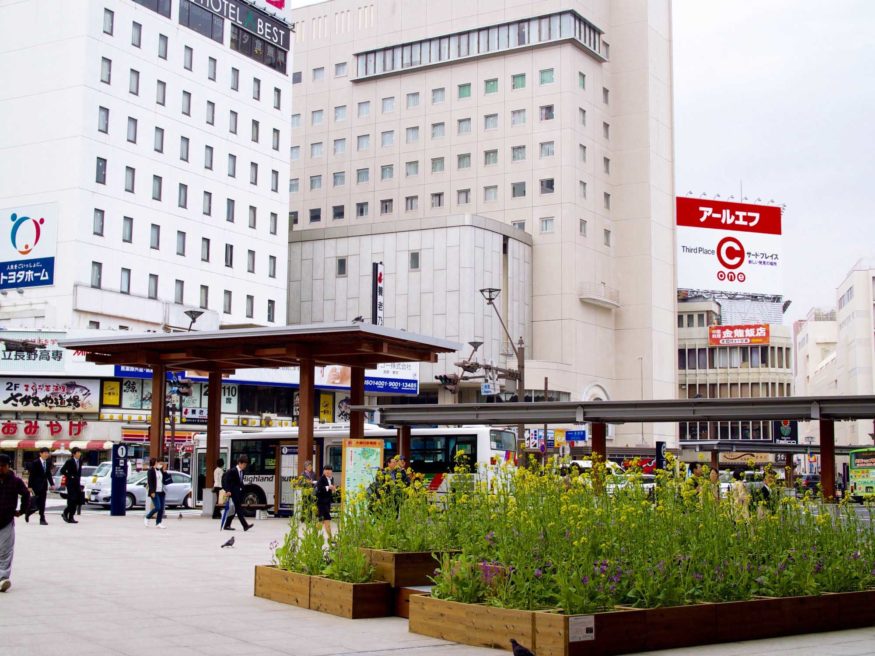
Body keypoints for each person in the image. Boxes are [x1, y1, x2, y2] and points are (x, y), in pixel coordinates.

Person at [0, 453, 30, 592]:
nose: (0, 469)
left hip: (6, 520)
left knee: (5, 551)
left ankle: (2, 578)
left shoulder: (15, 481)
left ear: (8, 466)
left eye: (3, 466)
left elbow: (26, 494)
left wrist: (22, 510)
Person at [221, 455, 252, 532]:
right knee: (238, 509)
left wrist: (244, 489)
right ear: (240, 463)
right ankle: (245, 526)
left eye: (245, 465)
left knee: (235, 510)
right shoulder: (232, 471)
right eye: (244, 465)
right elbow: (226, 481)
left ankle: (227, 525)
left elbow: (240, 482)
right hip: (232, 494)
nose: (245, 466)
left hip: (238, 493)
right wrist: (227, 490)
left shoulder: (242, 472)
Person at [25, 448, 54, 525]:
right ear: (40, 454)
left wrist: (52, 484)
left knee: (42, 502)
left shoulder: (48, 462)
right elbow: (31, 475)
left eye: (47, 453)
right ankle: (28, 512)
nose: (46, 454)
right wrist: (29, 486)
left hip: (44, 485)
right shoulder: (35, 462)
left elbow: (48, 474)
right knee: (36, 503)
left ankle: (42, 518)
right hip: (36, 485)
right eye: (45, 453)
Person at [145, 458, 171, 529]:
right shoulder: (150, 471)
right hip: (154, 492)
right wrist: (152, 492)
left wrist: (164, 469)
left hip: (161, 492)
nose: (159, 464)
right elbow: (150, 482)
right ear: (154, 463)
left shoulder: (160, 471)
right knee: (157, 507)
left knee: (161, 508)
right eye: (157, 463)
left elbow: (165, 477)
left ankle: (158, 523)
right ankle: (147, 517)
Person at [60, 447, 83, 524]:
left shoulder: (80, 461)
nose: (79, 454)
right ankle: (67, 514)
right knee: (72, 499)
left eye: (80, 452)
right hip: (70, 483)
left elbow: (79, 473)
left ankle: (69, 515)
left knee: (76, 500)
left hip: (77, 483)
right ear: (74, 454)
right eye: (78, 452)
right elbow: (62, 470)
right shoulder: (69, 461)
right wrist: (70, 476)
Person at [315, 465, 336, 539]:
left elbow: (331, 490)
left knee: (322, 520)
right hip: (321, 502)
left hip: (327, 503)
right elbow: (319, 488)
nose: (328, 471)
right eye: (326, 470)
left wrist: (333, 489)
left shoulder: (332, 478)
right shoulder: (321, 479)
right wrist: (328, 487)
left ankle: (314, 536)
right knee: (326, 519)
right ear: (323, 471)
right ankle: (330, 538)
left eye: (329, 470)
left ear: (331, 471)